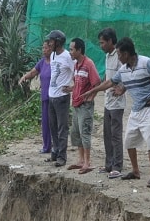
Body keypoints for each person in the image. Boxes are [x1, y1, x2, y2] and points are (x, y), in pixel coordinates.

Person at [82, 37, 150, 188]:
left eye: (120, 54)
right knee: (129, 141)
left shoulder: (146, 62)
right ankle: (135, 171)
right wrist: (94, 90)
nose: (119, 57)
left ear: (127, 53)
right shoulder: (124, 70)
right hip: (136, 109)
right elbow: (110, 82)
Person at [66, 38, 100, 174]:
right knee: (76, 132)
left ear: (79, 50)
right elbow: (78, 83)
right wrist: (70, 89)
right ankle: (80, 160)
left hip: (85, 106)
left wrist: (91, 97)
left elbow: (97, 82)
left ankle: (87, 162)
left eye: (72, 49)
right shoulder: (76, 65)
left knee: (85, 132)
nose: (70, 52)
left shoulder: (88, 64)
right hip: (76, 104)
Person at [98, 27, 126, 178]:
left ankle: (117, 166)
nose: (101, 45)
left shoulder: (119, 56)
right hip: (107, 102)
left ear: (110, 41)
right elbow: (108, 75)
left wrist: (122, 89)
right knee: (107, 134)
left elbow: (127, 74)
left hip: (117, 103)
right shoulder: (108, 56)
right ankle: (109, 164)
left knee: (115, 135)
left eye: (103, 42)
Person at [45, 30, 74, 168]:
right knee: (53, 126)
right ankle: (55, 151)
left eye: (51, 41)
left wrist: (73, 87)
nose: (49, 43)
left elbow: (77, 73)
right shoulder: (53, 55)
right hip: (52, 96)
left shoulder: (67, 56)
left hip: (62, 97)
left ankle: (62, 156)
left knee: (62, 127)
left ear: (58, 42)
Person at [18, 41, 53, 154]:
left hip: (54, 98)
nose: (44, 50)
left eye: (46, 48)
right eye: (43, 48)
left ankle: (55, 147)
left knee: (53, 123)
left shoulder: (55, 63)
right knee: (45, 123)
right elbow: (34, 72)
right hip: (44, 97)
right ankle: (46, 146)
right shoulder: (42, 62)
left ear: (51, 49)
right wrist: (24, 77)